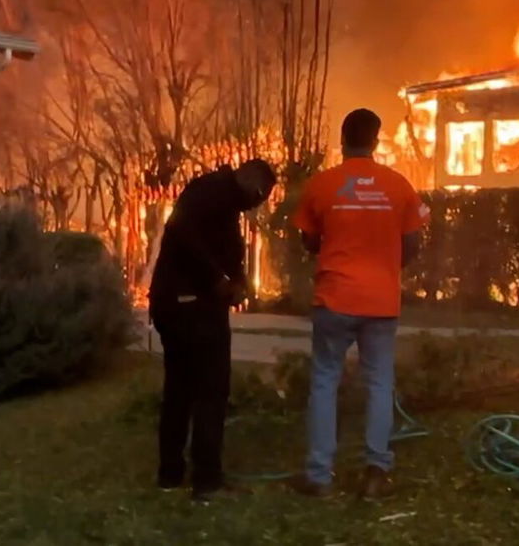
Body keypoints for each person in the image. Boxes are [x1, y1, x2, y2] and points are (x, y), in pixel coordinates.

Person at [290, 108, 429, 500]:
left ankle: (319, 476)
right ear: (376, 140)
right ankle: (375, 474)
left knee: (324, 382)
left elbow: (308, 239)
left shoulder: (323, 184)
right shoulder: (399, 185)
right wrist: (388, 265)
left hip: (334, 298)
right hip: (381, 301)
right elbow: (415, 242)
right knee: (380, 383)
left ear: (342, 139)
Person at [148, 159, 277, 502]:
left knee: (179, 389)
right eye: (260, 198)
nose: (256, 206)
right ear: (255, 186)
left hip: (172, 304)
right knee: (211, 390)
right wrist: (217, 280)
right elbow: (183, 234)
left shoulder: (216, 196)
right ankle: (207, 482)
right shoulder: (213, 193)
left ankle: (170, 474)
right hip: (193, 306)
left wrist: (238, 279)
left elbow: (221, 245)